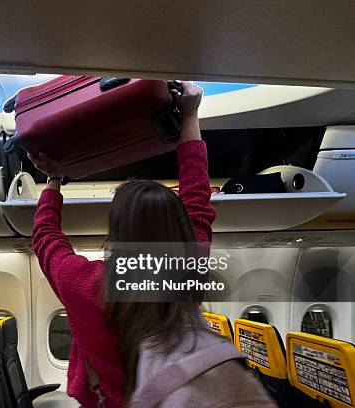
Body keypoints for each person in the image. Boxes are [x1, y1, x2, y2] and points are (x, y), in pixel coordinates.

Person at [29, 81, 276, 407]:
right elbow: (198, 199)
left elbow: (45, 236)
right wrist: (190, 114)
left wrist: (54, 179)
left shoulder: (84, 283)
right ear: (177, 230)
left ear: (115, 234)